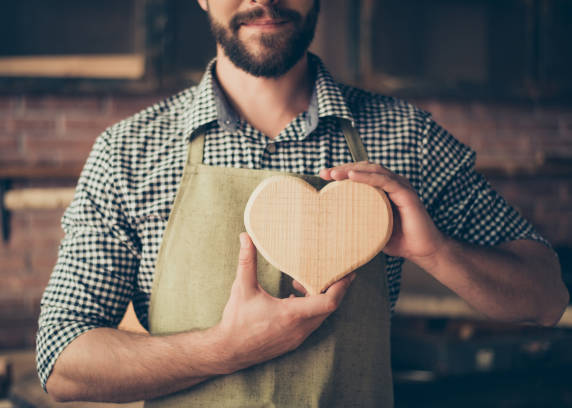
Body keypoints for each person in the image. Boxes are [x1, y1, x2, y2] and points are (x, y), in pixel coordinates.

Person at [37, 0, 569, 406]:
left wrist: (436, 251)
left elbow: (546, 298)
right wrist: (225, 348)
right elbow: (62, 359)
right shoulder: (129, 152)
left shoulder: (406, 138)